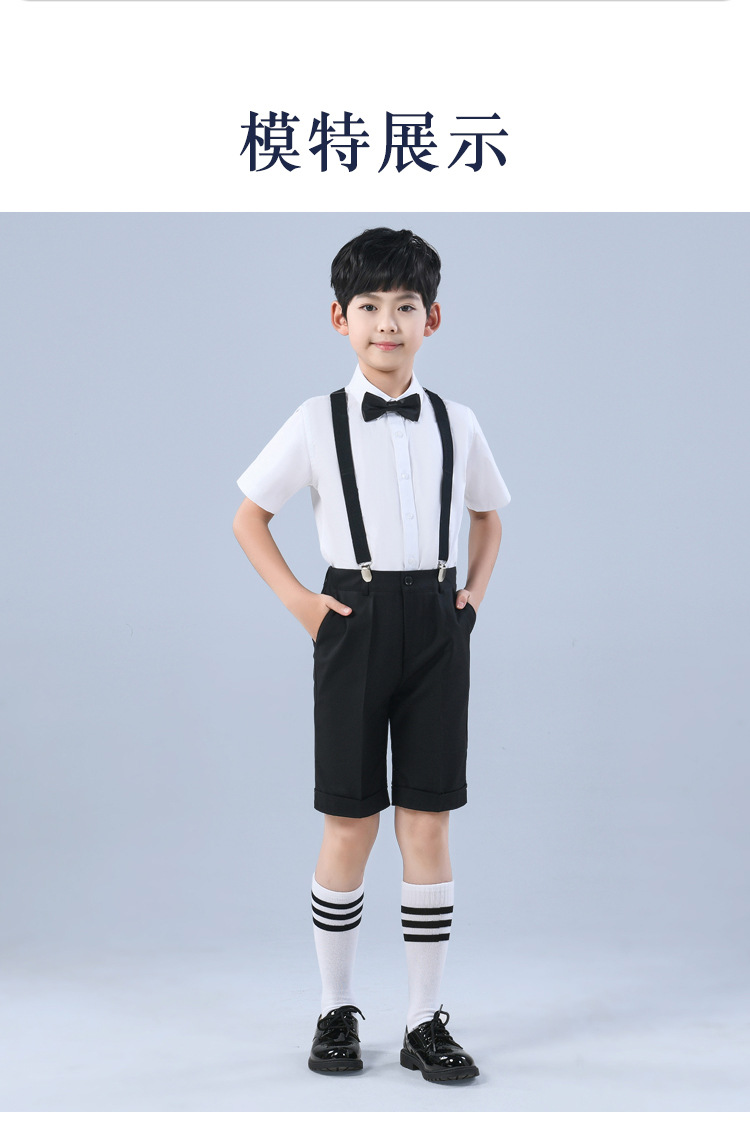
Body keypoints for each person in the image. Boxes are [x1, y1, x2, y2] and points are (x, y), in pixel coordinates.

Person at [232, 227, 511, 1083]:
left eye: (405, 306)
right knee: (350, 819)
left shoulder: (457, 421)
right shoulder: (315, 420)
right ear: (339, 318)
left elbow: (489, 517)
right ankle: (335, 1007)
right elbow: (249, 516)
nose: (387, 323)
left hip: (436, 622)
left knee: (427, 818)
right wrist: (305, 606)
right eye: (369, 306)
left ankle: (425, 1017)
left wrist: (470, 601)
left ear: (433, 318)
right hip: (350, 619)